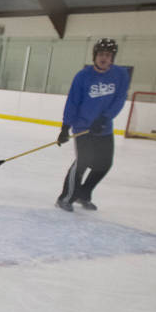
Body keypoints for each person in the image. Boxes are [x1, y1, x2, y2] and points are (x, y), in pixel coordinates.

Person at [55, 38, 130, 212]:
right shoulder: (83, 76)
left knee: (104, 164)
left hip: (104, 128)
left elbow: (120, 99)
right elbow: (72, 102)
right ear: (95, 56)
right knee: (83, 161)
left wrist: (105, 118)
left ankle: (84, 194)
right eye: (101, 54)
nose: (104, 58)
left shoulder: (120, 75)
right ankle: (66, 197)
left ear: (113, 58)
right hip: (82, 127)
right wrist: (65, 127)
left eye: (108, 55)